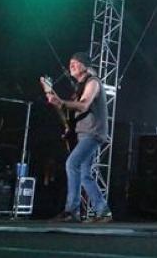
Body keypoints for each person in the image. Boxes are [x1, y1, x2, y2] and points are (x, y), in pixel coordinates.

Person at [45, 52, 112, 223]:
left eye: (75, 63)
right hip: (84, 134)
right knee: (84, 175)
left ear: (85, 66)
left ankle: (71, 210)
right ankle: (103, 211)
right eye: (70, 63)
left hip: (93, 132)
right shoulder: (80, 87)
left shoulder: (93, 82)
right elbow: (74, 113)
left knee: (71, 164)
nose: (71, 66)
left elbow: (84, 105)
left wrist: (61, 102)